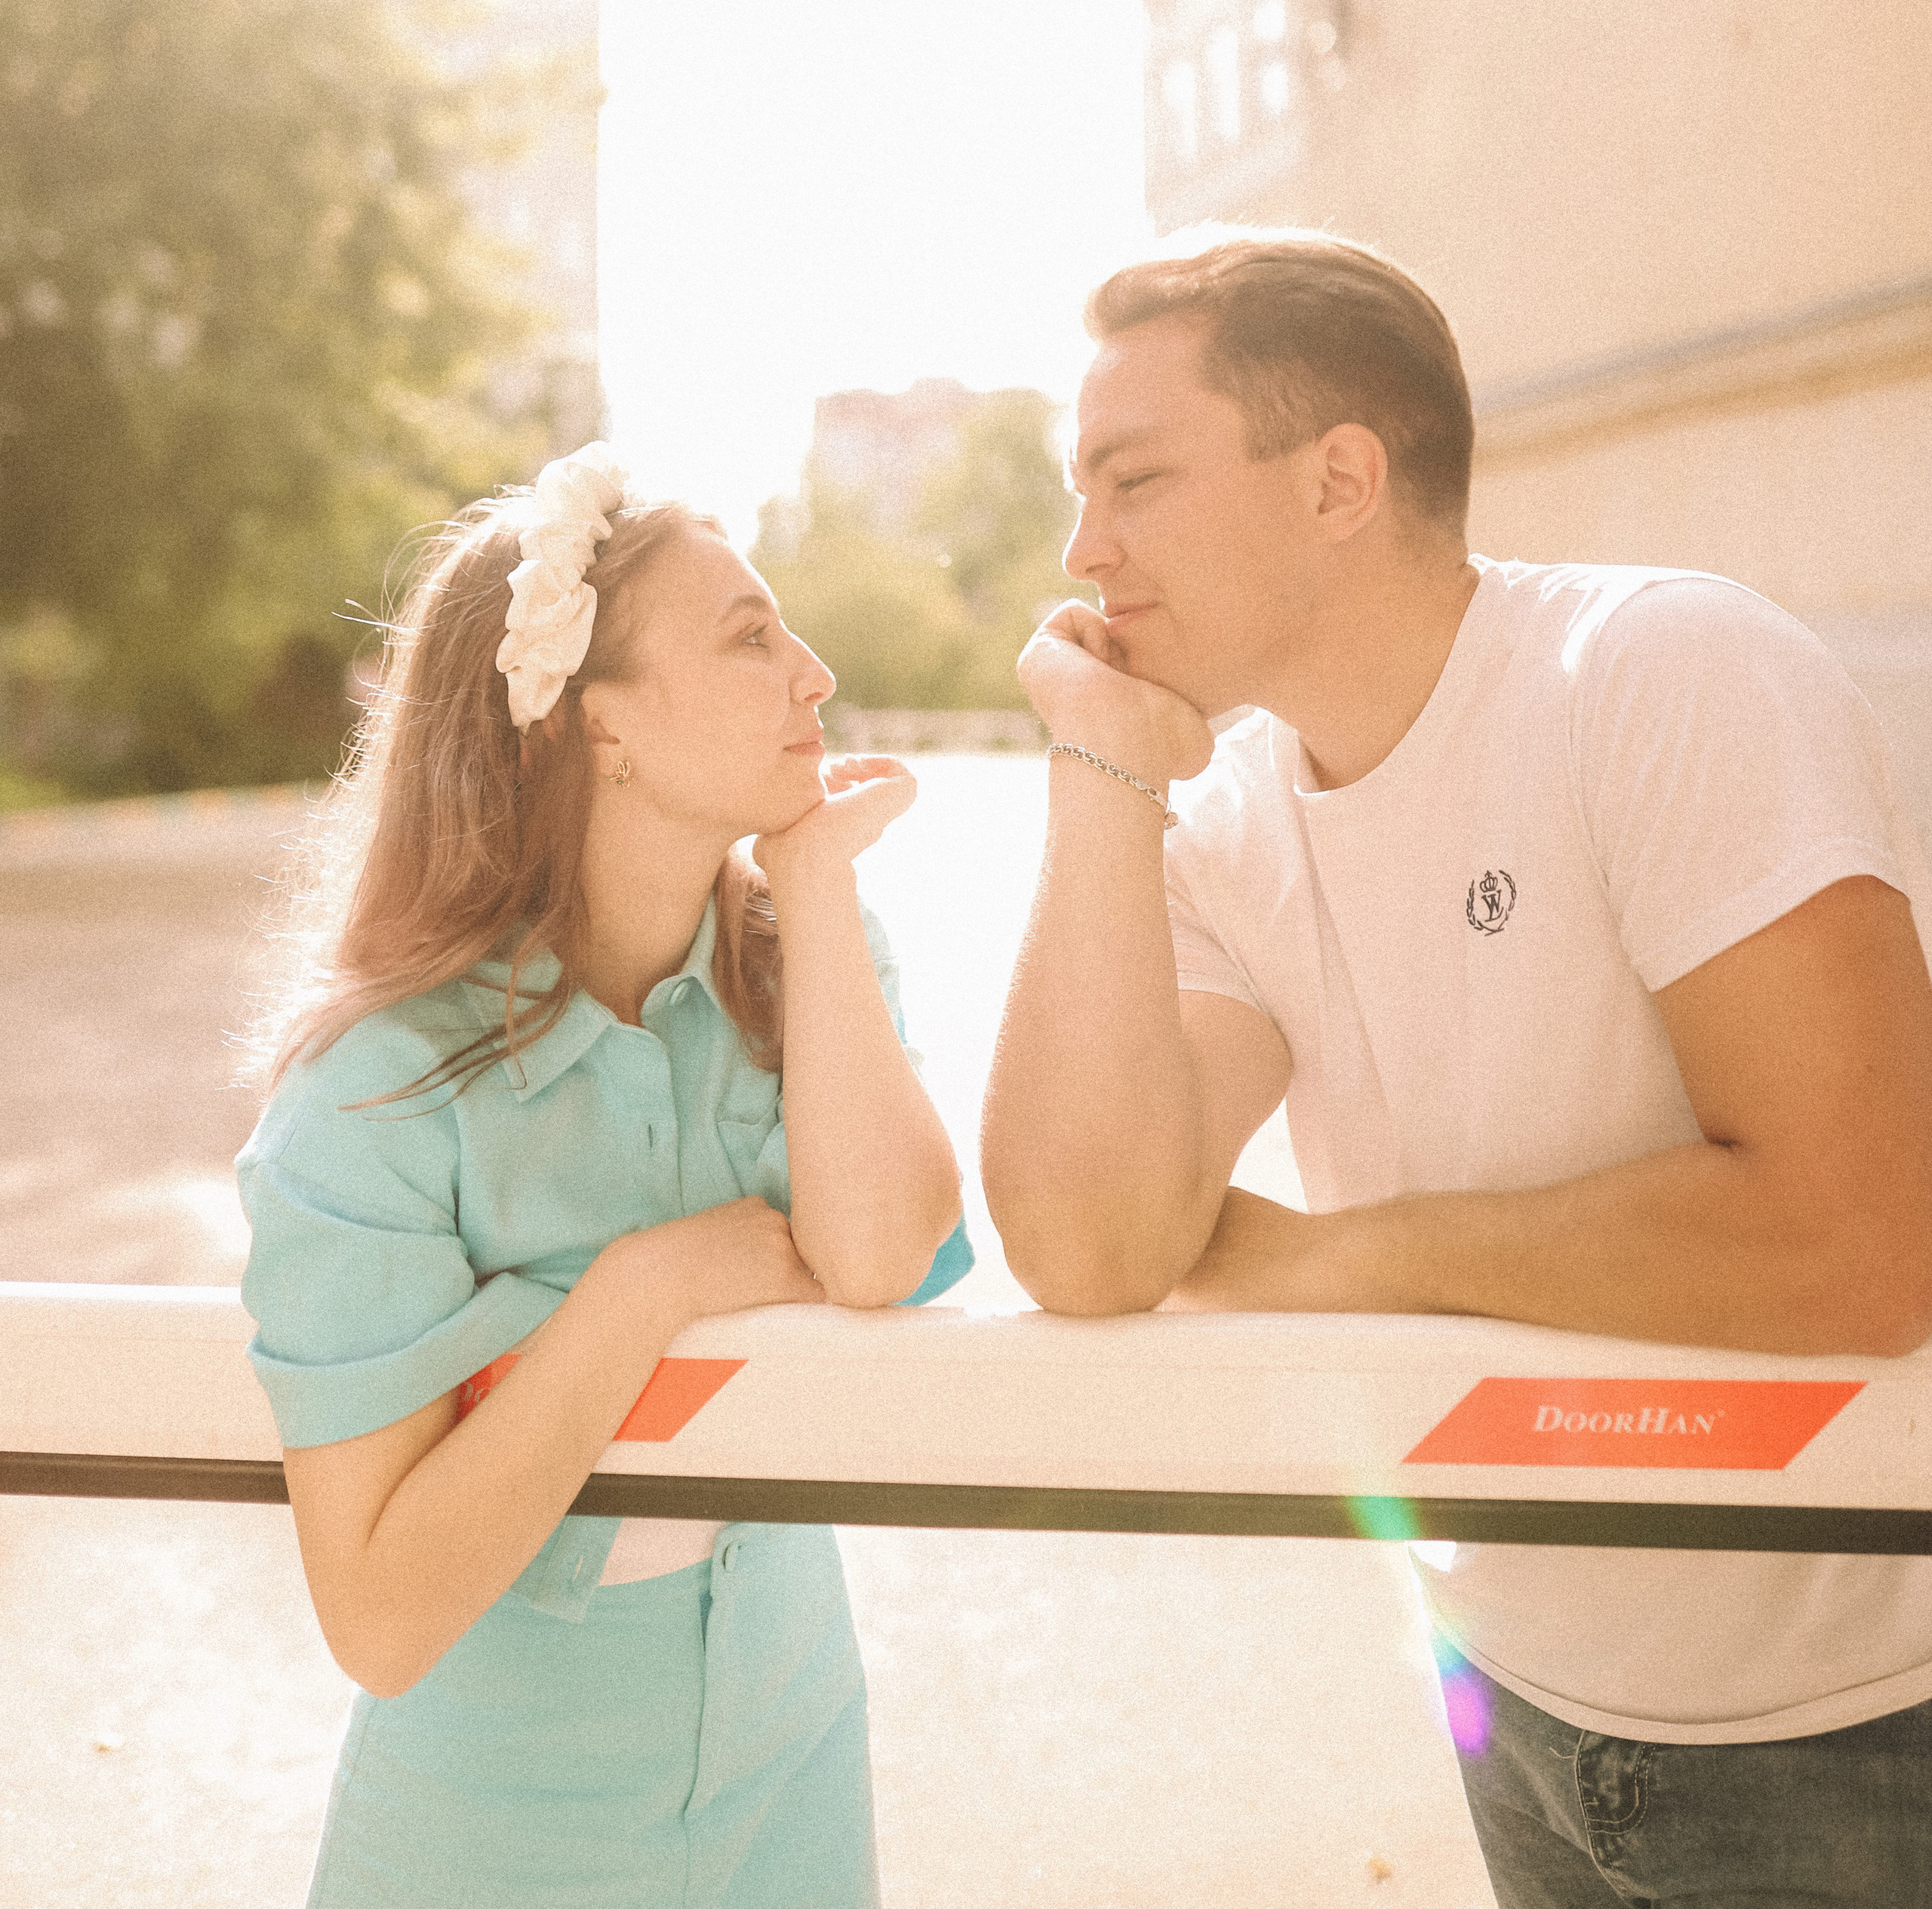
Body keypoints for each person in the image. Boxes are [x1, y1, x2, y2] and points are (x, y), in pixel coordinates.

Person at [980, 231, 1932, 1907]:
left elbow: (1861, 1242)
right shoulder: (1214, 825)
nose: (1081, 550)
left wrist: (1345, 1256)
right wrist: (1091, 769)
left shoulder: (1655, 673)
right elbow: (1092, 1246)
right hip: (1509, 1699)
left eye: (1132, 482)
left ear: (1338, 477)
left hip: (1856, 1734)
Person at [238, 444, 968, 1909]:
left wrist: (817, 884)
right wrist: (644, 1289)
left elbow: (880, 1257)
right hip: (492, 1833)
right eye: (750, 637)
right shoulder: (373, 1092)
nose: (813, 674)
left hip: (790, 1765)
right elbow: (378, 1620)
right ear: (598, 725)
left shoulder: (808, 966)